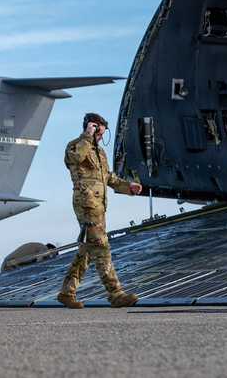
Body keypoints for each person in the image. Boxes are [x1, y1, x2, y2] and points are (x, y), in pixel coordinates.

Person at [58, 112, 143, 309]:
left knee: (87, 251)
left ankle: (66, 292)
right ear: (90, 127)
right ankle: (116, 294)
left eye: (102, 132)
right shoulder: (75, 145)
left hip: (99, 206)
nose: (101, 136)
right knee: (101, 246)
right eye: (98, 131)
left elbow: (108, 178)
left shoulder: (100, 153)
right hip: (86, 204)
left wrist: (128, 187)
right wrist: (88, 135)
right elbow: (76, 159)